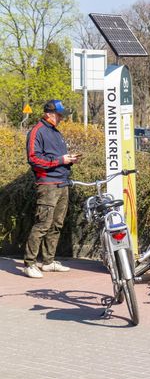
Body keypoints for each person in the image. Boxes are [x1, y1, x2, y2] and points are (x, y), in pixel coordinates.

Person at [23, 100, 80, 278]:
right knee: (43, 224)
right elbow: (34, 159)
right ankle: (29, 263)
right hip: (47, 185)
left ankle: (48, 262)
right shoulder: (37, 131)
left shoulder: (56, 132)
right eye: (59, 114)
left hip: (62, 183)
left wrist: (69, 159)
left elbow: (55, 157)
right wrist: (61, 161)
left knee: (56, 224)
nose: (62, 118)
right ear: (48, 113)